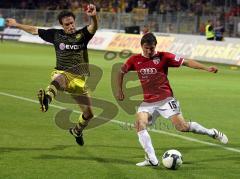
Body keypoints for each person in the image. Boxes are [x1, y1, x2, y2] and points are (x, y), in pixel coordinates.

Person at [116, 33, 228, 167]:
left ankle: (212, 132)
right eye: (146, 48)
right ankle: (152, 159)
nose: (149, 51)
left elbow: (186, 62)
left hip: (165, 99)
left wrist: (206, 68)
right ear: (141, 46)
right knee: (140, 125)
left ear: (155, 46)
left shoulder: (164, 57)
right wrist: (119, 90)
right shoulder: (135, 59)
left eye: (152, 48)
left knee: (182, 127)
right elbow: (121, 71)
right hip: (148, 101)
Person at [6, 4, 98, 146]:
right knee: (60, 78)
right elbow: (34, 30)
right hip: (61, 72)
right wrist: (16, 24)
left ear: (75, 22)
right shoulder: (56, 35)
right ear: (62, 25)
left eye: (72, 23)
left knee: (89, 115)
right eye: (67, 24)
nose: (70, 26)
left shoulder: (82, 35)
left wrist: (93, 17)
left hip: (78, 80)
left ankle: (77, 131)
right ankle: (46, 100)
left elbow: (93, 27)